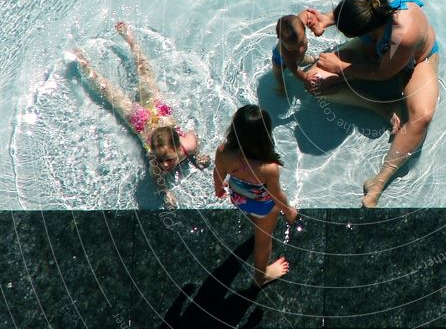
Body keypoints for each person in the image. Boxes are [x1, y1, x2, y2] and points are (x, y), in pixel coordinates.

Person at [302, 0, 440, 208]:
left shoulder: (404, 33)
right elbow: (348, 12)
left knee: (422, 117)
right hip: (377, 56)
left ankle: (379, 181)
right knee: (313, 83)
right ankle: (383, 107)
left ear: (365, 28)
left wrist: (341, 68)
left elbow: (382, 72)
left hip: (415, 61)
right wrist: (327, 19)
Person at [74, 21, 209, 209]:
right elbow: (159, 181)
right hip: (140, 120)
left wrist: (198, 154)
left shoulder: (188, 146)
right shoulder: (157, 164)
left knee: (145, 72)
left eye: (168, 160)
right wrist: (166, 193)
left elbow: (194, 136)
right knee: (112, 93)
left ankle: (131, 42)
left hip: (154, 113)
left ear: (179, 147)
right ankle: (89, 65)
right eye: (162, 160)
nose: (165, 166)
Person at [213, 105, 298, 286]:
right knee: (263, 240)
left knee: (254, 217)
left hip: (238, 198)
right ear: (265, 135)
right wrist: (289, 211)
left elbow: (218, 173)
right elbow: (276, 194)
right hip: (263, 207)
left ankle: (254, 219)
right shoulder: (268, 167)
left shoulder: (223, 152)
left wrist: (219, 189)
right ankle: (261, 275)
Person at [271, 13, 315, 97]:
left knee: (303, 59)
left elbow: (305, 15)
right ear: (279, 38)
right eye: (292, 48)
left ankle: (313, 59)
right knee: (278, 72)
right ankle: (281, 85)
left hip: (297, 58)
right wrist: (305, 77)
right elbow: (294, 70)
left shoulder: (299, 27)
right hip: (279, 59)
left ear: (304, 29)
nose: (299, 49)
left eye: (301, 43)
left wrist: (314, 21)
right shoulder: (287, 53)